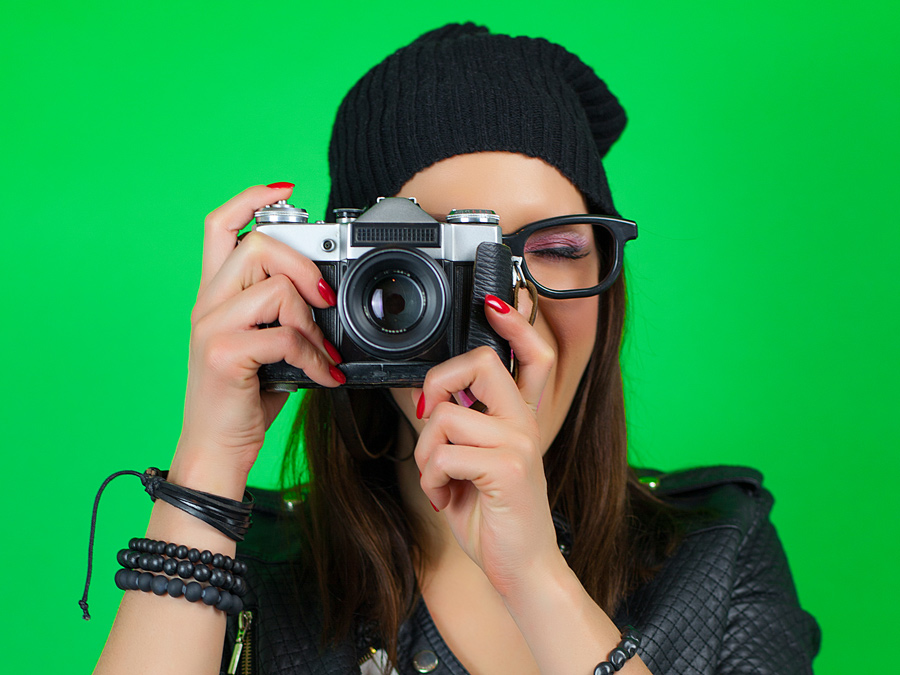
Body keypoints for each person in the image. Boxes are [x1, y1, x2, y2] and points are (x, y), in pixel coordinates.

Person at [92, 23, 820, 675]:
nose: (511, 307)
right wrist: (204, 471)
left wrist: (536, 576)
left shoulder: (719, 548)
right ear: (340, 288)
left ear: (604, 276)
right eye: (436, 264)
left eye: (559, 247)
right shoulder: (247, 559)